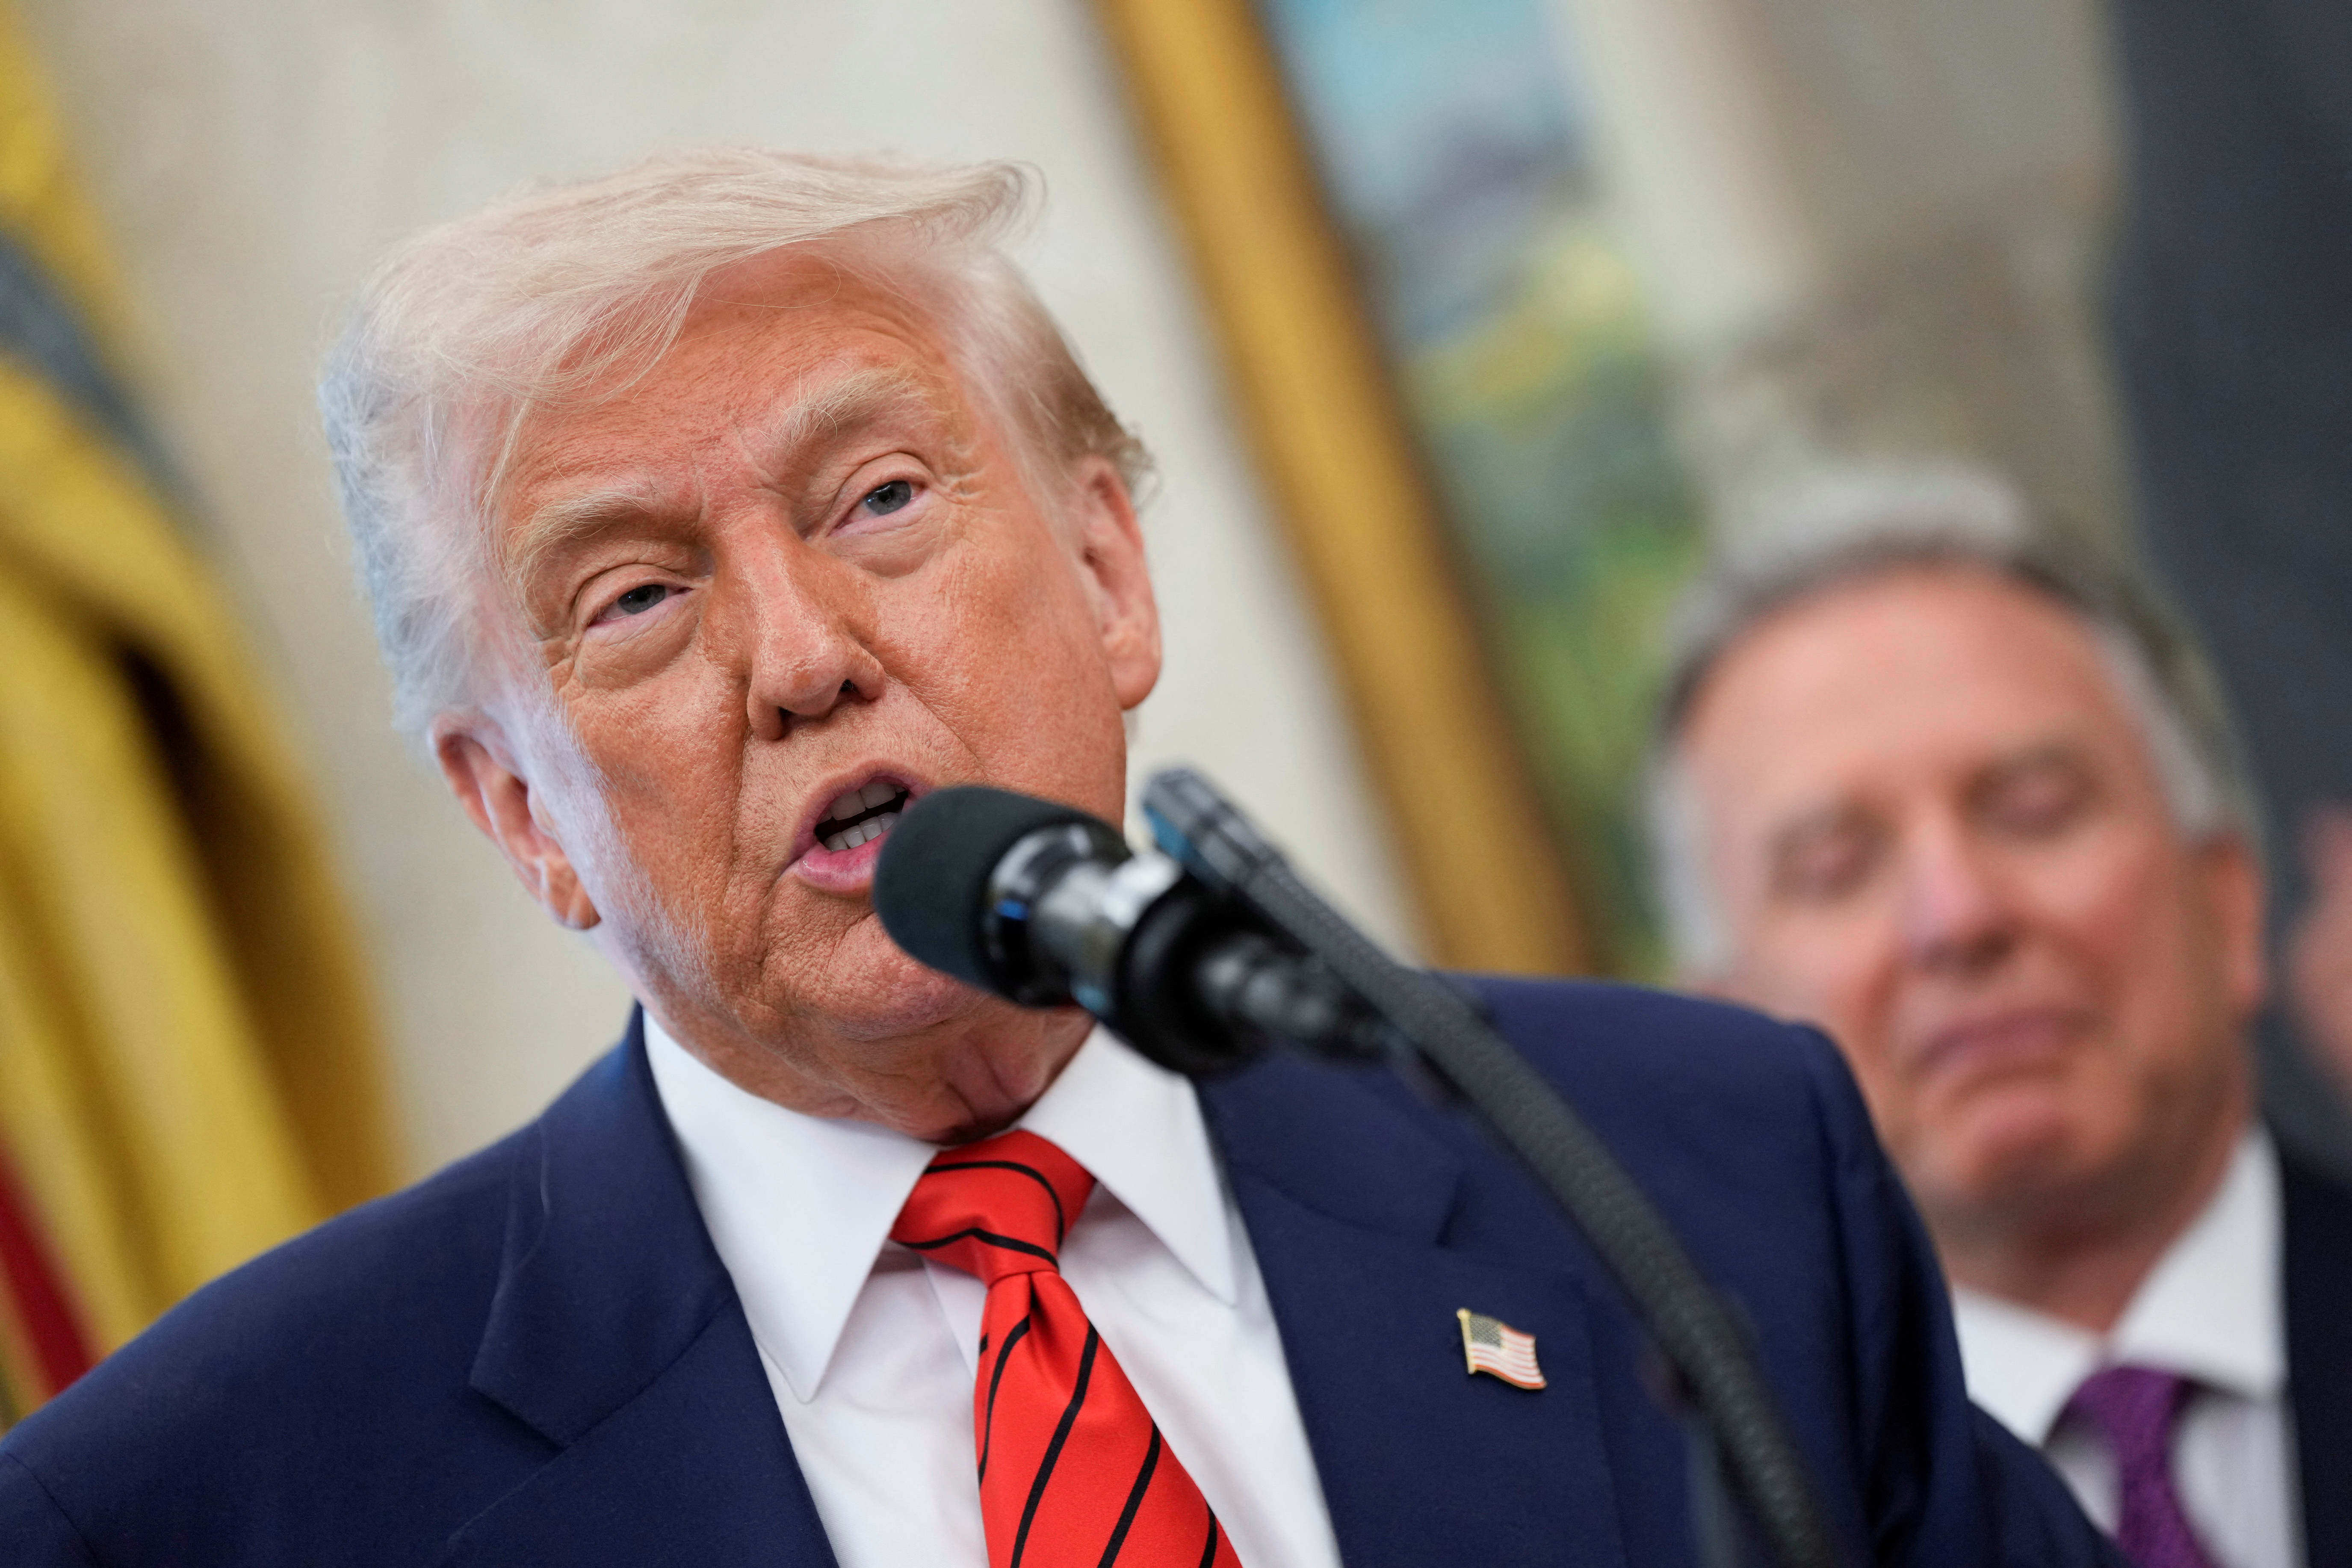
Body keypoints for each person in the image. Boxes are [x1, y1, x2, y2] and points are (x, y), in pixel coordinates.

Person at [0, 152, 2110, 1568]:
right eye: (633, 600)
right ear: (520, 810)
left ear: (1106, 570)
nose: (802, 658)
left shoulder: (1692, 1174)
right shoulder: (209, 1502)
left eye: (882, 496)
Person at [1648, 469, 2352, 1568]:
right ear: (1723, 1036)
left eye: (2035, 810)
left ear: (2226, 901)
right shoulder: (1680, 1534)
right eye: (1837, 868)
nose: (1958, 915)